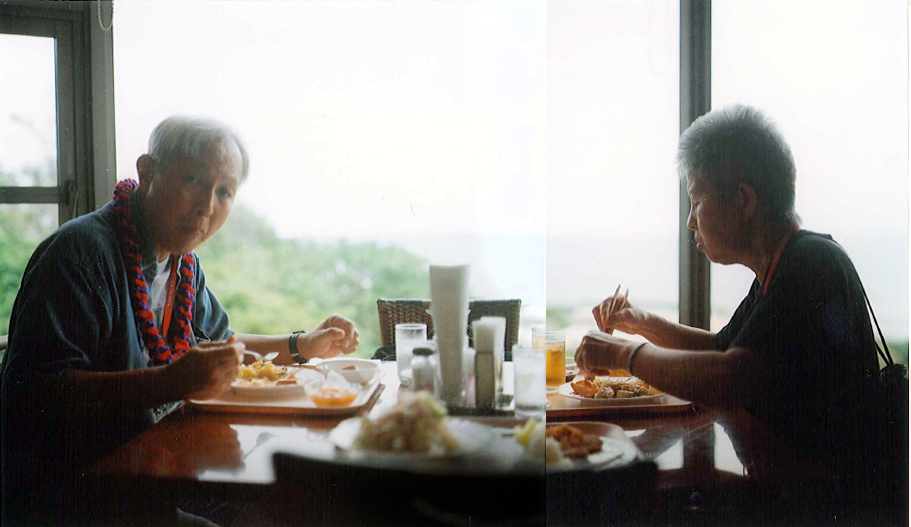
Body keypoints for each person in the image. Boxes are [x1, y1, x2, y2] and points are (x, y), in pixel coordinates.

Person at [0, 116, 359, 526]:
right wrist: (172, 381)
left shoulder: (183, 265)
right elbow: (38, 393)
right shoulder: (80, 255)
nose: (207, 207)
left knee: (284, 508)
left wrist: (301, 345)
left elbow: (222, 347)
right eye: (194, 181)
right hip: (74, 494)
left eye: (224, 192)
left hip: (153, 470)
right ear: (147, 172)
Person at [575, 105, 903, 521]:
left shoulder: (811, 265)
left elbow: (730, 376)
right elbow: (719, 347)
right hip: (796, 487)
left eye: (696, 201)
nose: (691, 222)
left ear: (744, 199)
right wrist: (642, 322)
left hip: (826, 505)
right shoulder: (785, 264)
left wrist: (623, 355)